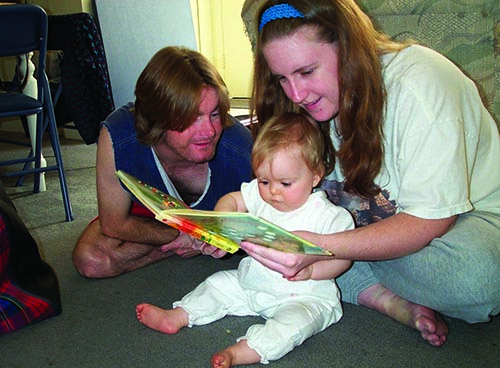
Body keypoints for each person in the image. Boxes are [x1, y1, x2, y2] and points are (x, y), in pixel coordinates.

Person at [239, 0, 500, 347]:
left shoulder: (421, 85)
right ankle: (382, 296)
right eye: (282, 78)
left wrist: (317, 246)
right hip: (359, 228)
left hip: (467, 222)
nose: (297, 94)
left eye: (306, 71)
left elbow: (429, 221)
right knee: (279, 238)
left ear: (348, 49)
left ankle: (341, 272)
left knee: (475, 281)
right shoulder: (300, 101)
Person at [135, 112, 355, 367]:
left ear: (315, 176)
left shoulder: (330, 217)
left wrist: (313, 271)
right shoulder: (261, 194)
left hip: (305, 296)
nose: (272, 191)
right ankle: (180, 315)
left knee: (293, 325)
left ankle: (243, 351)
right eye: (264, 180)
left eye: (285, 183)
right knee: (217, 284)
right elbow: (232, 199)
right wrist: (222, 219)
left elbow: (343, 259)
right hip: (251, 283)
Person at [72, 46, 253, 279]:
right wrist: (185, 236)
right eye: (192, 117)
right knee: (92, 260)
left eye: (215, 114)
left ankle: (194, 243)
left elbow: (281, 223)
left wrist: (223, 236)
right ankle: (188, 244)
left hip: (223, 217)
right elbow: (113, 224)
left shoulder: (241, 151)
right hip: (155, 214)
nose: (209, 131)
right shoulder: (119, 136)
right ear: (156, 117)